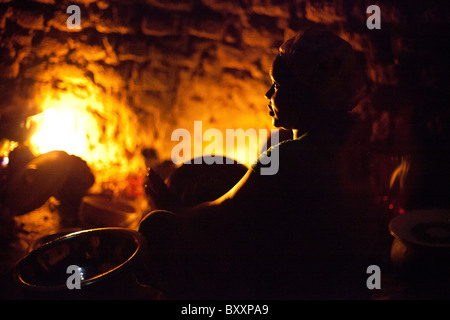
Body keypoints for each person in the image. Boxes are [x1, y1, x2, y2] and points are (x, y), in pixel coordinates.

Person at [140, 28, 371, 299]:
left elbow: (220, 214)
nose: (267, 93)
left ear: (309, 95)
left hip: (292, 285)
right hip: (340, 280)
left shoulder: (290, 157)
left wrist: (170, 206)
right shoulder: (350, 144)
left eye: (278, 86)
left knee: (155, 227)